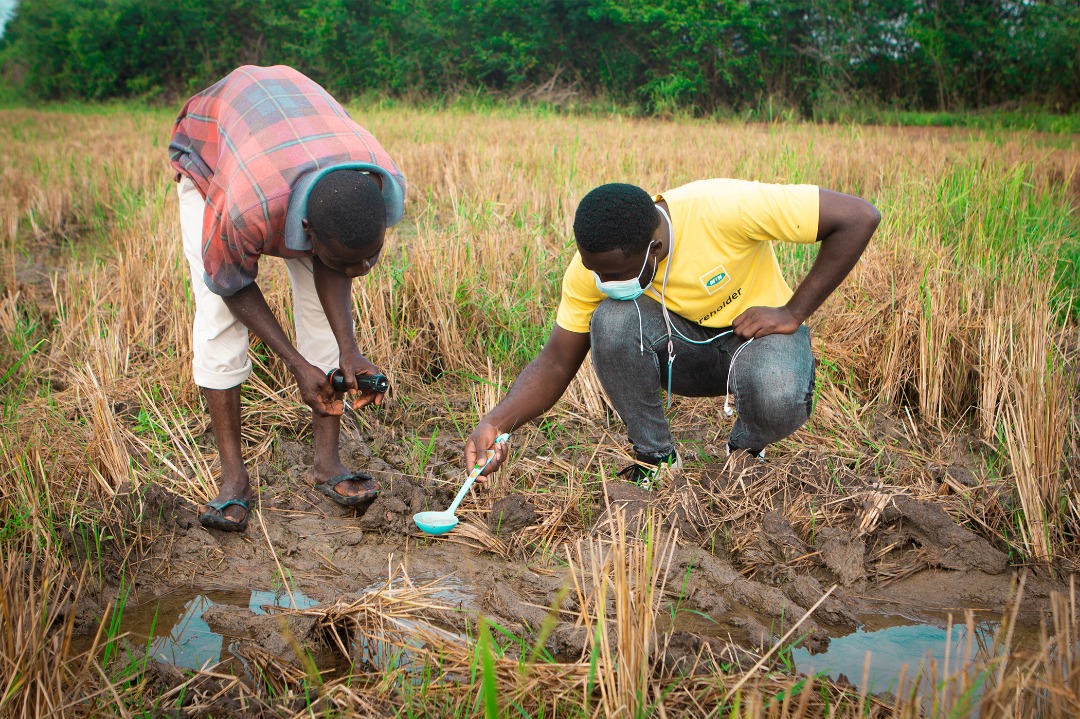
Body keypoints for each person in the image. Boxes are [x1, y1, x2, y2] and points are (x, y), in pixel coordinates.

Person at [464, 179, 879, 487]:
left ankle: (748, 452)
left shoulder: (723, 208)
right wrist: (496, 421)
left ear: (655, 249)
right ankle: (656, 460)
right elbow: (556, 361)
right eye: (595, 271)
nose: (602, 281)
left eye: (613, 272)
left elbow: (859, 217)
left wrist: (792, 311)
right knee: (610, 318)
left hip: (756, 344)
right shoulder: (592, 269)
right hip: (682, 357)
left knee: (778, 389)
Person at [169, 65, 406, 531]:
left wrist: (349, 350)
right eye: (347, 261)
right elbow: (231, 284)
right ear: (306, 232)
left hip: (297, 142)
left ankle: (327, 464)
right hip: (214, 151)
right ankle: (233, 478)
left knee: (324, 308)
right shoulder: (244, 210)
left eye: (369, 258)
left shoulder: (377, 185)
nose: (359, 272)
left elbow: (338, 265)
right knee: (219, 317)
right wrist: (297, 364)